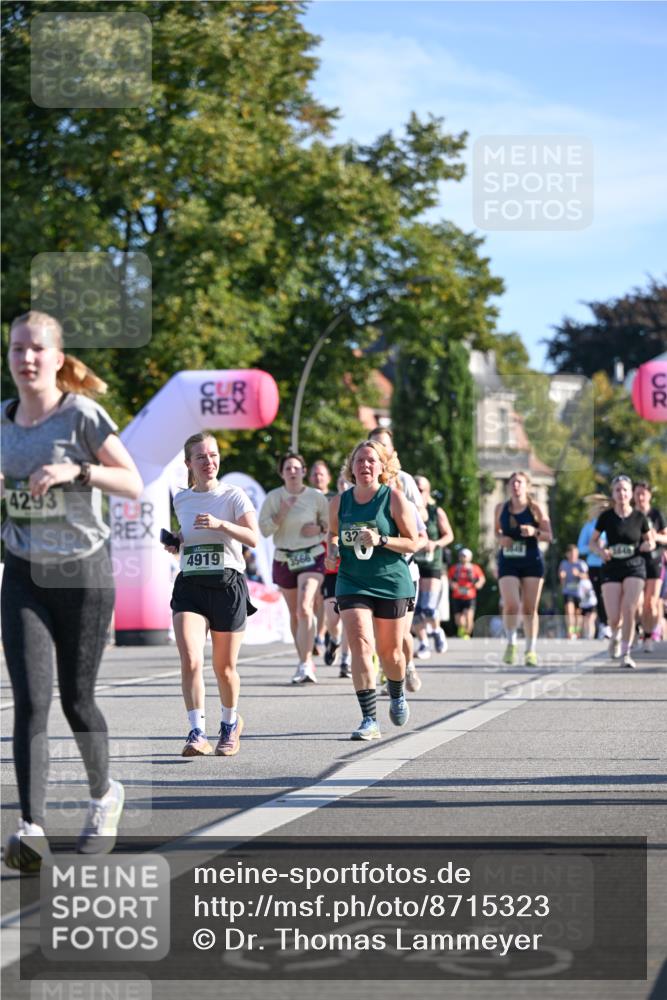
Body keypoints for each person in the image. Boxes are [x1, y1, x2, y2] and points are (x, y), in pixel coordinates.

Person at [1, 311, 143, 871]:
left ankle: (104, 794)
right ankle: (30, 827)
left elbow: (131, 480)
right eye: (17, 349)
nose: (26, 359)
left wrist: (75, 473)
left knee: (76, 699)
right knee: (30, 702)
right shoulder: (4, 421)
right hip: (24, 571)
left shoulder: (81, 415)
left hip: (83, 573)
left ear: (58, 359)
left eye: (37, 349)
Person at [165, 432, 258, 758]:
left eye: (213, 455)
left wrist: (222, 525)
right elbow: (188, 534)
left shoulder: (234, 496)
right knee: (190, 659)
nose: (209, 462)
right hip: (190, 583)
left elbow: (253, 537)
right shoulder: (182, 499)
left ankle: (230, 724)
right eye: (201, 457)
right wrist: (176, 541)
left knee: (224, 668)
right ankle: (196, 732)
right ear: (189, 463)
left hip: (227, 585)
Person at [326, 440, 419, 740]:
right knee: (361, 645)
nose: (365, 465)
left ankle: (397, 693)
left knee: (390, 653)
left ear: (382, 467)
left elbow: (413, 542)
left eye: (371, 461)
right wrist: (331, 550)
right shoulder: (339, 502)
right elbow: (332, 535)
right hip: (351, 580)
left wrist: (381, 540)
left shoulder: (393, 499)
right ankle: (369, 720)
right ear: (351, 467)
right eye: (359, 461)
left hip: (391, 580)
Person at [259, 453, 329, 683]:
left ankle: (306, 661)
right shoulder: (274, 497)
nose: (292, 471)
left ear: (303, 471)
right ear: (282, 473)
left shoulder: (316, 497)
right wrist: (281, 514)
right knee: (294, 613)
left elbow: (330, 527)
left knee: (304, 607)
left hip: (312, 555)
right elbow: (265, 530)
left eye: (296, 468)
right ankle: (303, 661)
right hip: (284, 558)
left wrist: (318, 528)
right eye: (288, 468)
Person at [368, 427, 427, 692]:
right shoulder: (361, 488)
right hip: (370, 570)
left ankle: (408, 666)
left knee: (401, 632)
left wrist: (411, 543)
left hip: (404, 569)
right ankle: (386, 672)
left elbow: (420, 532)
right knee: (377, 632)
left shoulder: (403, 488)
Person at [589, 475, 654, 668]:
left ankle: (626, 653)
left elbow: (650, 540)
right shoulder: (606, 517)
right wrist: (600, 550)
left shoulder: (640, 517)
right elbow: (592, 542)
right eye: (618, 490)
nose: (622, 493)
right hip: (611, 567)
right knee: (614, 616)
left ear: (630, 493)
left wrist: (647, 545)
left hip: (635, 566)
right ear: (613, 493)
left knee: (629, 609)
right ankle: (615, 635)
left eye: (625, 490)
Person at [495, 471, 552, 667]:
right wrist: (501, 539)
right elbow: (497, 532)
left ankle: (530, 649)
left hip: (531, 560)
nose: (515, 486)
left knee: (529, 608)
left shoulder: (536, 508)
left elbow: (548, 536)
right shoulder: (501, 508)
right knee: (511, 604)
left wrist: (534, 531)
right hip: (508, 560)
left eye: (519, 483)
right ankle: (511, 642)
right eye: (512, 483)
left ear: (527, 486)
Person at [412, 476, 453, 658]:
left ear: (428, 491)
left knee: (428, 607)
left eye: (421, 489)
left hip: (433, 563)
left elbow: (449, 536)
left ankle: (436, 631)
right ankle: (422, 643)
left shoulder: (436, 512)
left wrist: (435, 544)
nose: (418, 492)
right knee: (415, 609)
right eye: (415, 489)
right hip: (413, 562)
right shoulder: (407, 509)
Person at [632, 481, 667, 653]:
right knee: (636, 603)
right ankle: (636, 627)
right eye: (637, 494)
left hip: (654, 560)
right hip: (635, 561)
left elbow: (666, 538)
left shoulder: (656, 514)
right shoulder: (630, 515)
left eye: (643, 494)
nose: (640, 497)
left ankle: (648, 636)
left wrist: (654, 538)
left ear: (649, 496)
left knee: (651, 604)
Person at [308, 459, 335, 657]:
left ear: (328, 478)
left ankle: (321, 636)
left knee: (325, 598)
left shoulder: (336, 498)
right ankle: (318, 635)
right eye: (315, 474)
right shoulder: (304, 498)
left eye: (321, 474)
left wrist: (320, 528)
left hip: (329, 554)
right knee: (314, 599)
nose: (318, 477)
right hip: (308, 553)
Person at [577, 494, 610, 639]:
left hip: (610, 564)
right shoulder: (589, 526)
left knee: (611, 596)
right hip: (594, 565)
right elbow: (580, 548)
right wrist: (594, 547)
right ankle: (604, 625)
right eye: (600, 507)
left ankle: (614, 623)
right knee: (600, 595)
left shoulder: (612, 524)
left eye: (605, 507)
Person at [448, 548, 486, 639]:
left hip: (470, 596)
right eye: (461, 555)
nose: (462, 558)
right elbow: (449, 578)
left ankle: (467, 634)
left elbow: (482, 578)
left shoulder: (474, 568)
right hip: (457, 596)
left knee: (469, 616)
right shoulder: (455, 568)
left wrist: (478, 584)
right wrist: (452, 585)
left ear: (470, 557)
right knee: (459, 619)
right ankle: (461, 630)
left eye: (464, 556)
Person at [558, 544, 588, 640]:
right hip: (568, 592)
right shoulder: (564, 564)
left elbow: (587, 576)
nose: (573, 555)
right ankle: (570, 632)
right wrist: (562, 576)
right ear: (567, 554)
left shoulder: (581, 564)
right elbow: (561, 576)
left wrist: (578, 574)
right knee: (569, 612)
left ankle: (577, 631)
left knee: (578, 614)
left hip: (579, 592)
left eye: (575, 553)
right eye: (571, 553)